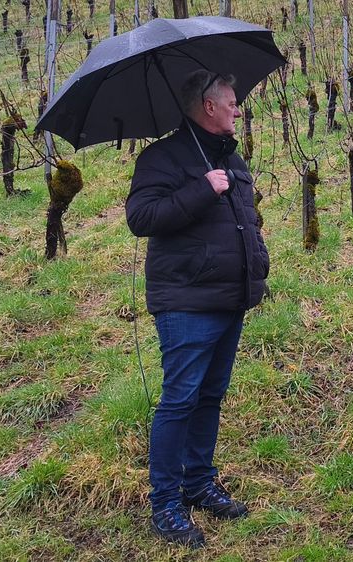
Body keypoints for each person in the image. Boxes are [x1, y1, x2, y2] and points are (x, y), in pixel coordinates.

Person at [127, 70, 268, 548]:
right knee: (180, 399)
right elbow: (141, 218)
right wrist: (201, 189)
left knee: (210, 396)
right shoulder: (162, 158)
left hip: (229, 298)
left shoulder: (231, 156)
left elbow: (245, 219)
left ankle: (199, 482)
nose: (237, 108)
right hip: (186, 301)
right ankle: (165, 502)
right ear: (208, 107)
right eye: (231, 102)